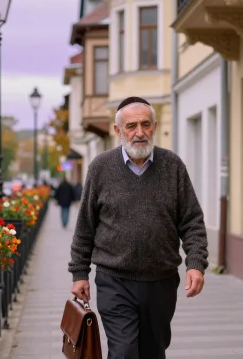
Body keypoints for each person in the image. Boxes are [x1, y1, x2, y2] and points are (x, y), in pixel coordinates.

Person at [68, 96, 208, 359]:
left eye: (145, 124)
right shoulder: (100, 168)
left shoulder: (173, 165)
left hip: (162, 281)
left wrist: (195, 264)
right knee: (123, 352)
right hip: (114, 280)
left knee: (153, 352)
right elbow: (85, 226)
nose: (139, 132)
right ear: (118, 131)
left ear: (154, 127)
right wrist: (79, 273)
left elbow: (192, 222)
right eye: (131, 126)